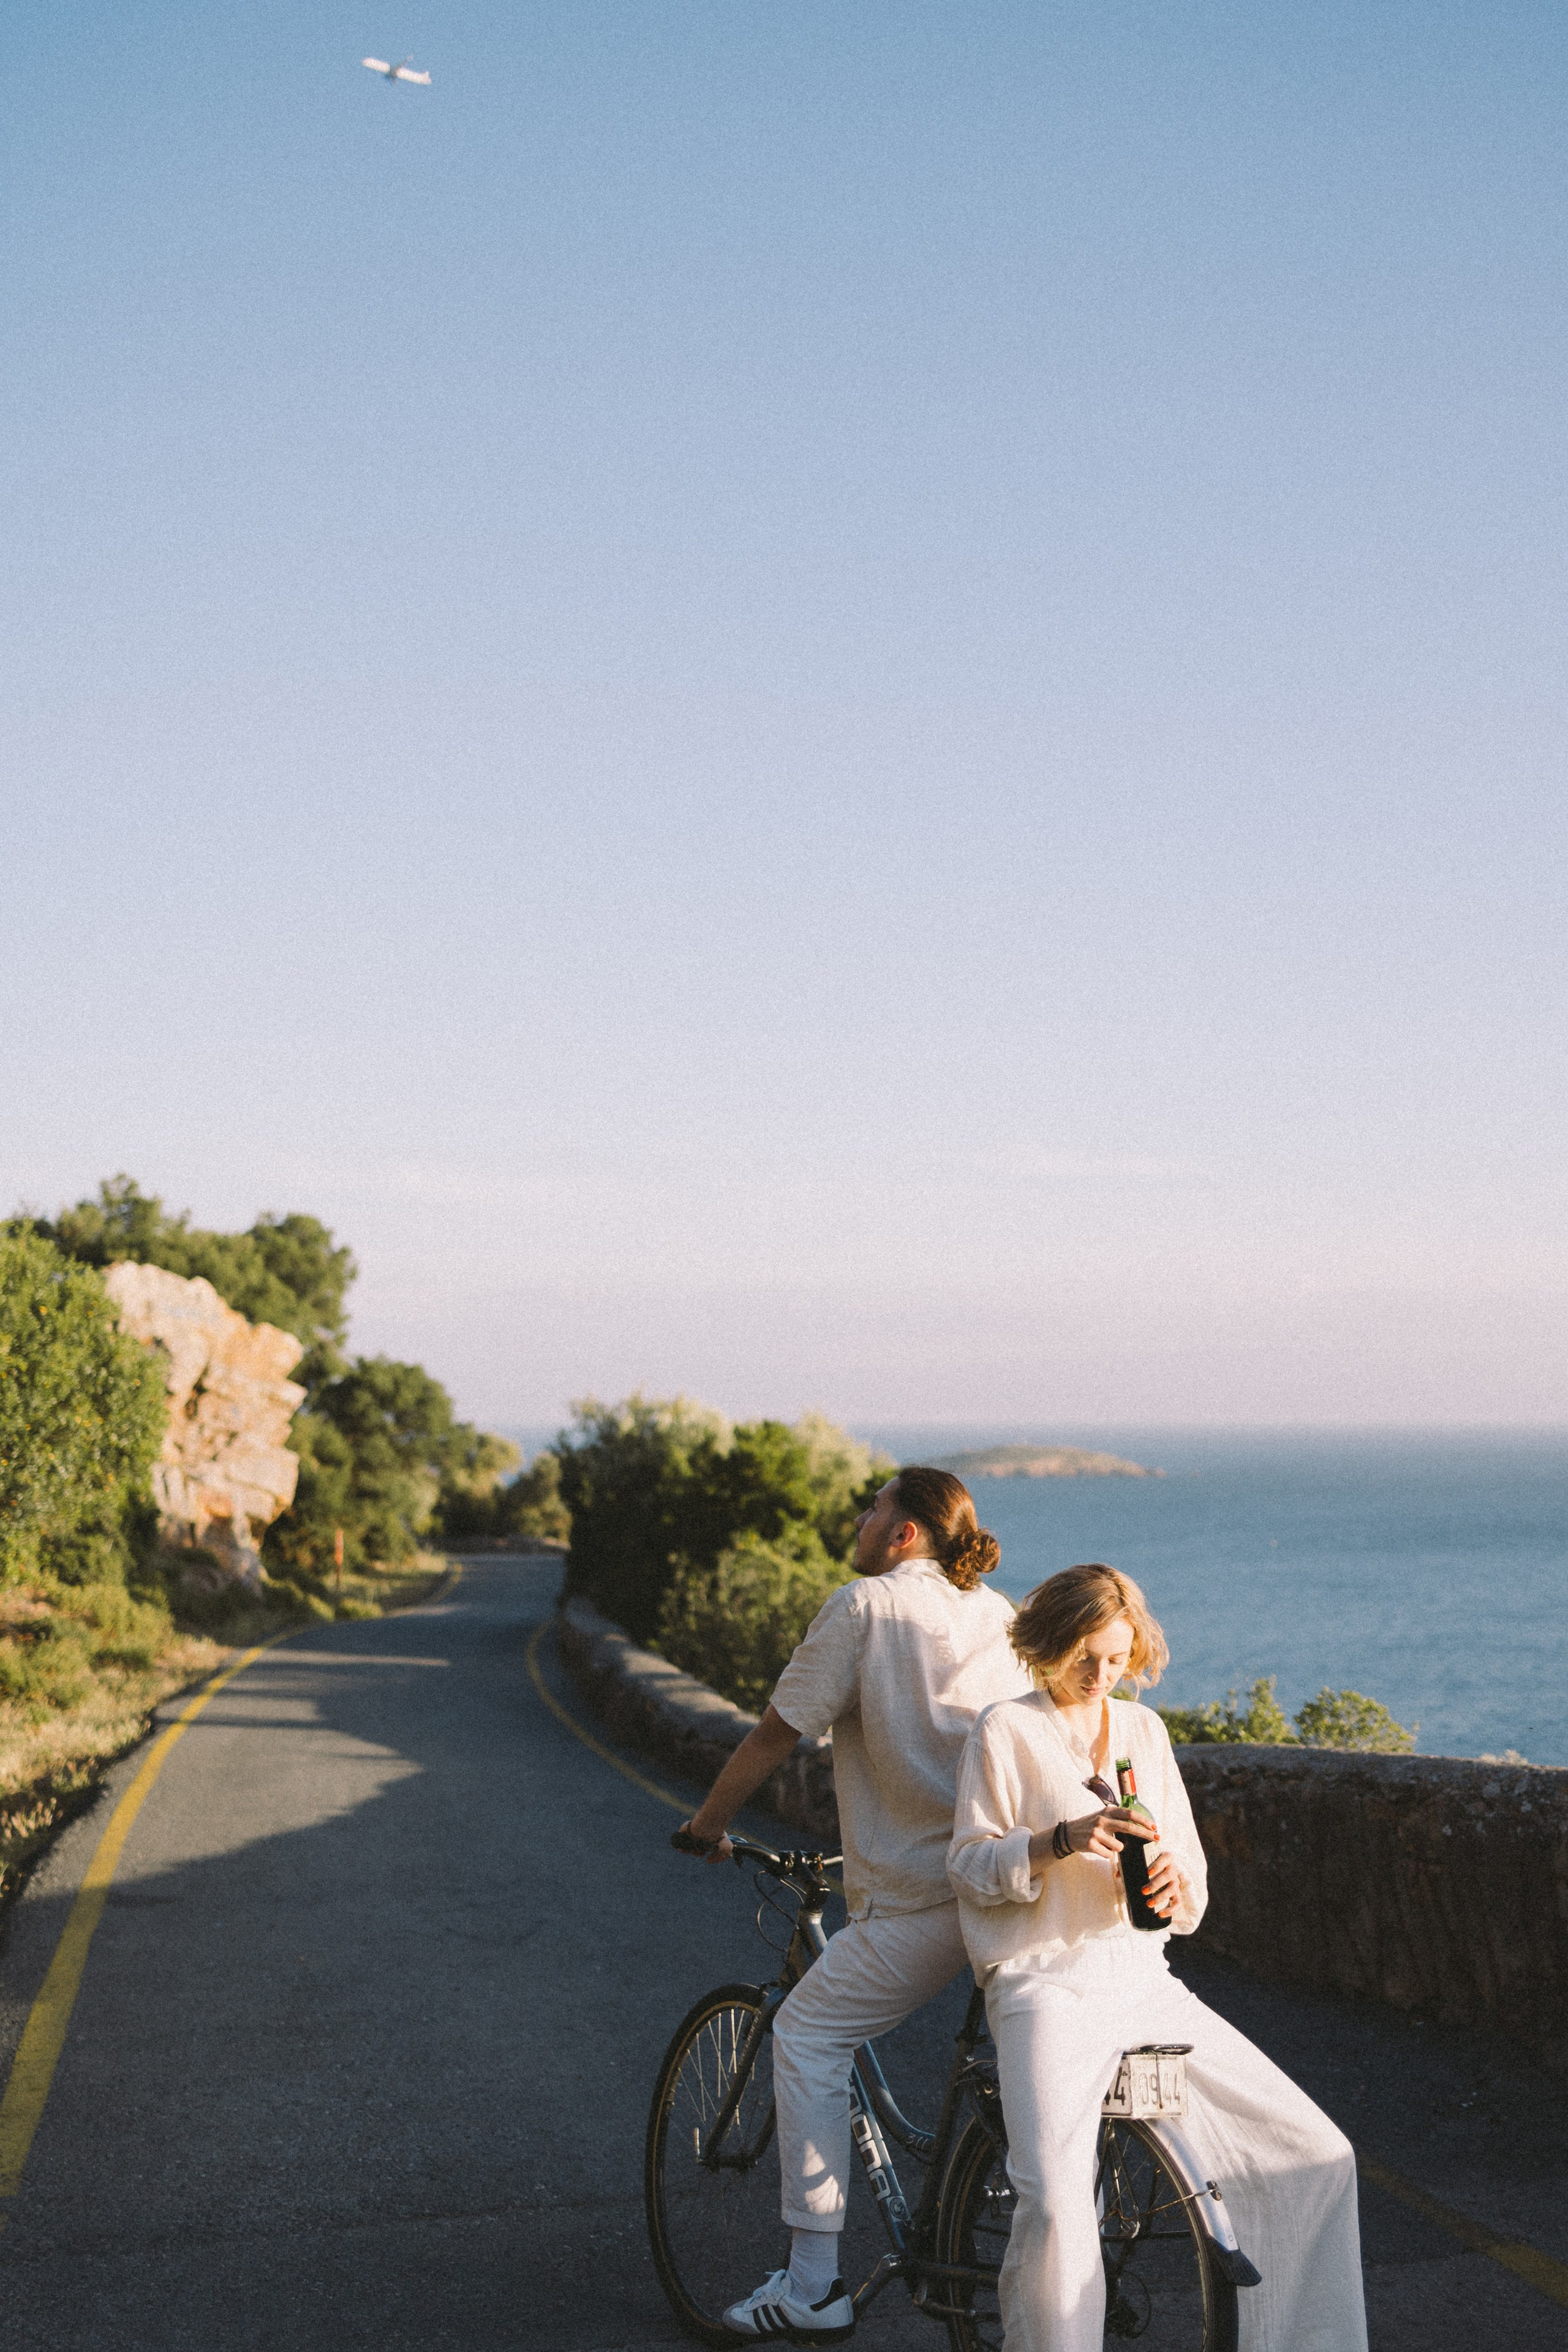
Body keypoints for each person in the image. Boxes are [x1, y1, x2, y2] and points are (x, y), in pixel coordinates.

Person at [946, 1562, 1368, 2352]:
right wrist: (1054, 1841)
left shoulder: (1145, 1732)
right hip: (1043, 1982)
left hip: (1142, 1978)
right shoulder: (1005, 1729)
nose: (1101, 1675)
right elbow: (968, 1866)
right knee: (1055, 2202)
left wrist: (1176, 1882)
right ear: (1045, 1645)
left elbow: (1195, 1889)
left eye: (1116, 1658)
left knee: (1315, 2153)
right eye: (1083, 1656)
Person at [676, 1466, 1032, 2345]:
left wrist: (708, 1823)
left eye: (874, 1508)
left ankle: (811, 2285)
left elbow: (774, 1732)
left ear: (905, 1533)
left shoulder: (866, 1605)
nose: (862, 1518)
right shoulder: (1002, 1613)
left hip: (927, 1892)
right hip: (1015, 1877)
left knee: (806, 2032)